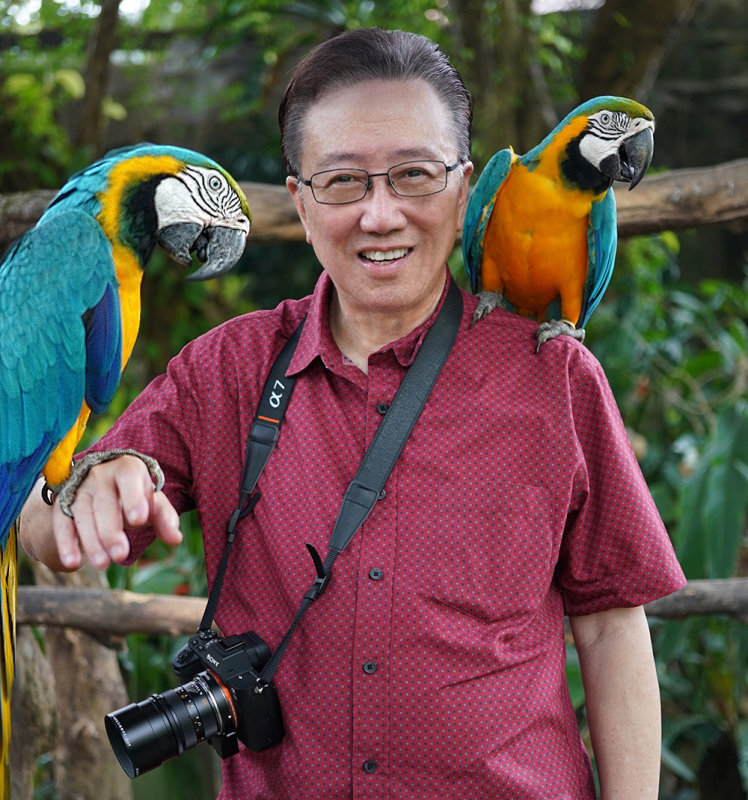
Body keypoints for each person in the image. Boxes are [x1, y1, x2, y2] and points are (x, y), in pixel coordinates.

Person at [20, 27, 685, 800]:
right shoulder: (224, 371)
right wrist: (90, 487)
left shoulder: (557, 377)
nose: (380, 215)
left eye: (414, 175)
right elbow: (45, 525)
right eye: (342, 183)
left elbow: (610, 625)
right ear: (301, 205)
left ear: (468, 188)